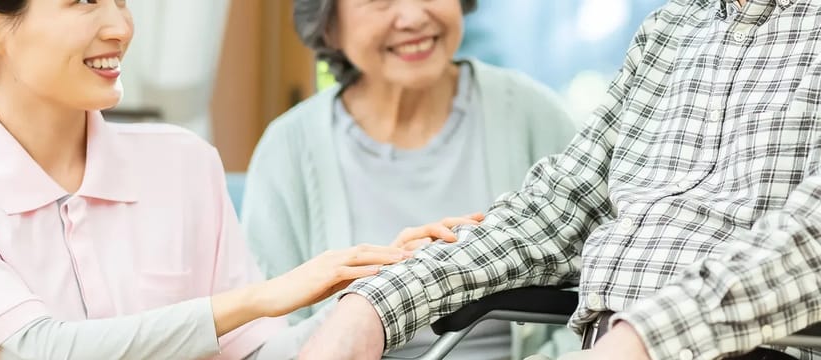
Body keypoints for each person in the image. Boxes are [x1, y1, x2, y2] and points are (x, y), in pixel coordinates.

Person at [0, 1, 435, 359]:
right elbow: (38, 350)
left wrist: (375, 287)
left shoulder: (184, 164)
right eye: (85, 1)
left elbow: (251, 353)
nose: (119, 26)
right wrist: (257, 299)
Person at [298, 0, 821, 359]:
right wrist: (372, 306)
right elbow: (556, 210)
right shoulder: (672, 31)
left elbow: (810, 244)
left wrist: (642, 339)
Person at [240, 0, 578, 358]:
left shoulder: (535, 116)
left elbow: (601, 298)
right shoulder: (288, 149)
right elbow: (265, 347)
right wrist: (369, 300)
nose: (414, 17)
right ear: (328, 25)